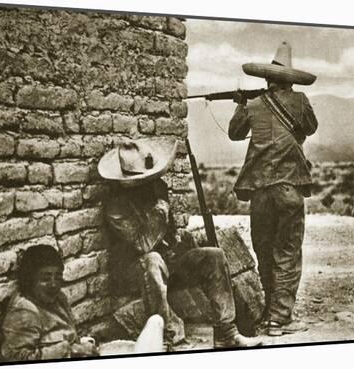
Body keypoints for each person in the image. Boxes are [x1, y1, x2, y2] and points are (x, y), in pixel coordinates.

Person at [98, 138, 264, 349]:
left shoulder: (155, 192)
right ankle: (169, 339)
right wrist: (160, 208)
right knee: (153, 259)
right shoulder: (116, 208)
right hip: (135, 272)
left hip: (165, 263)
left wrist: (178, 240)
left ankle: (226, 333)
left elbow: (171, 233)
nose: (150, 184)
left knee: (213, 255)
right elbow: (144, 245)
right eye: (144, 181)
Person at [228, 41, 319, 336]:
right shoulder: (301, 101)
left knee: (264, 251)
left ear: (268, 78)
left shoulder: (253, 105)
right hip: (289, 189)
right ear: (289, 80)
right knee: (288, 253)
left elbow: (234, 133)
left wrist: (242, 103)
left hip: (260, 192)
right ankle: (279, 319)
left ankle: (269, 312)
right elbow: (310, 127)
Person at [0, 245, 99, 361]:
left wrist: (82, 344)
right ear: (30, 280)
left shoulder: (58, 299)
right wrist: (72, 350)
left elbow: (67, 333)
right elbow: (18, 359)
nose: (53, 284)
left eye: (58, 277)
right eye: (45, 279)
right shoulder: (24, 311)